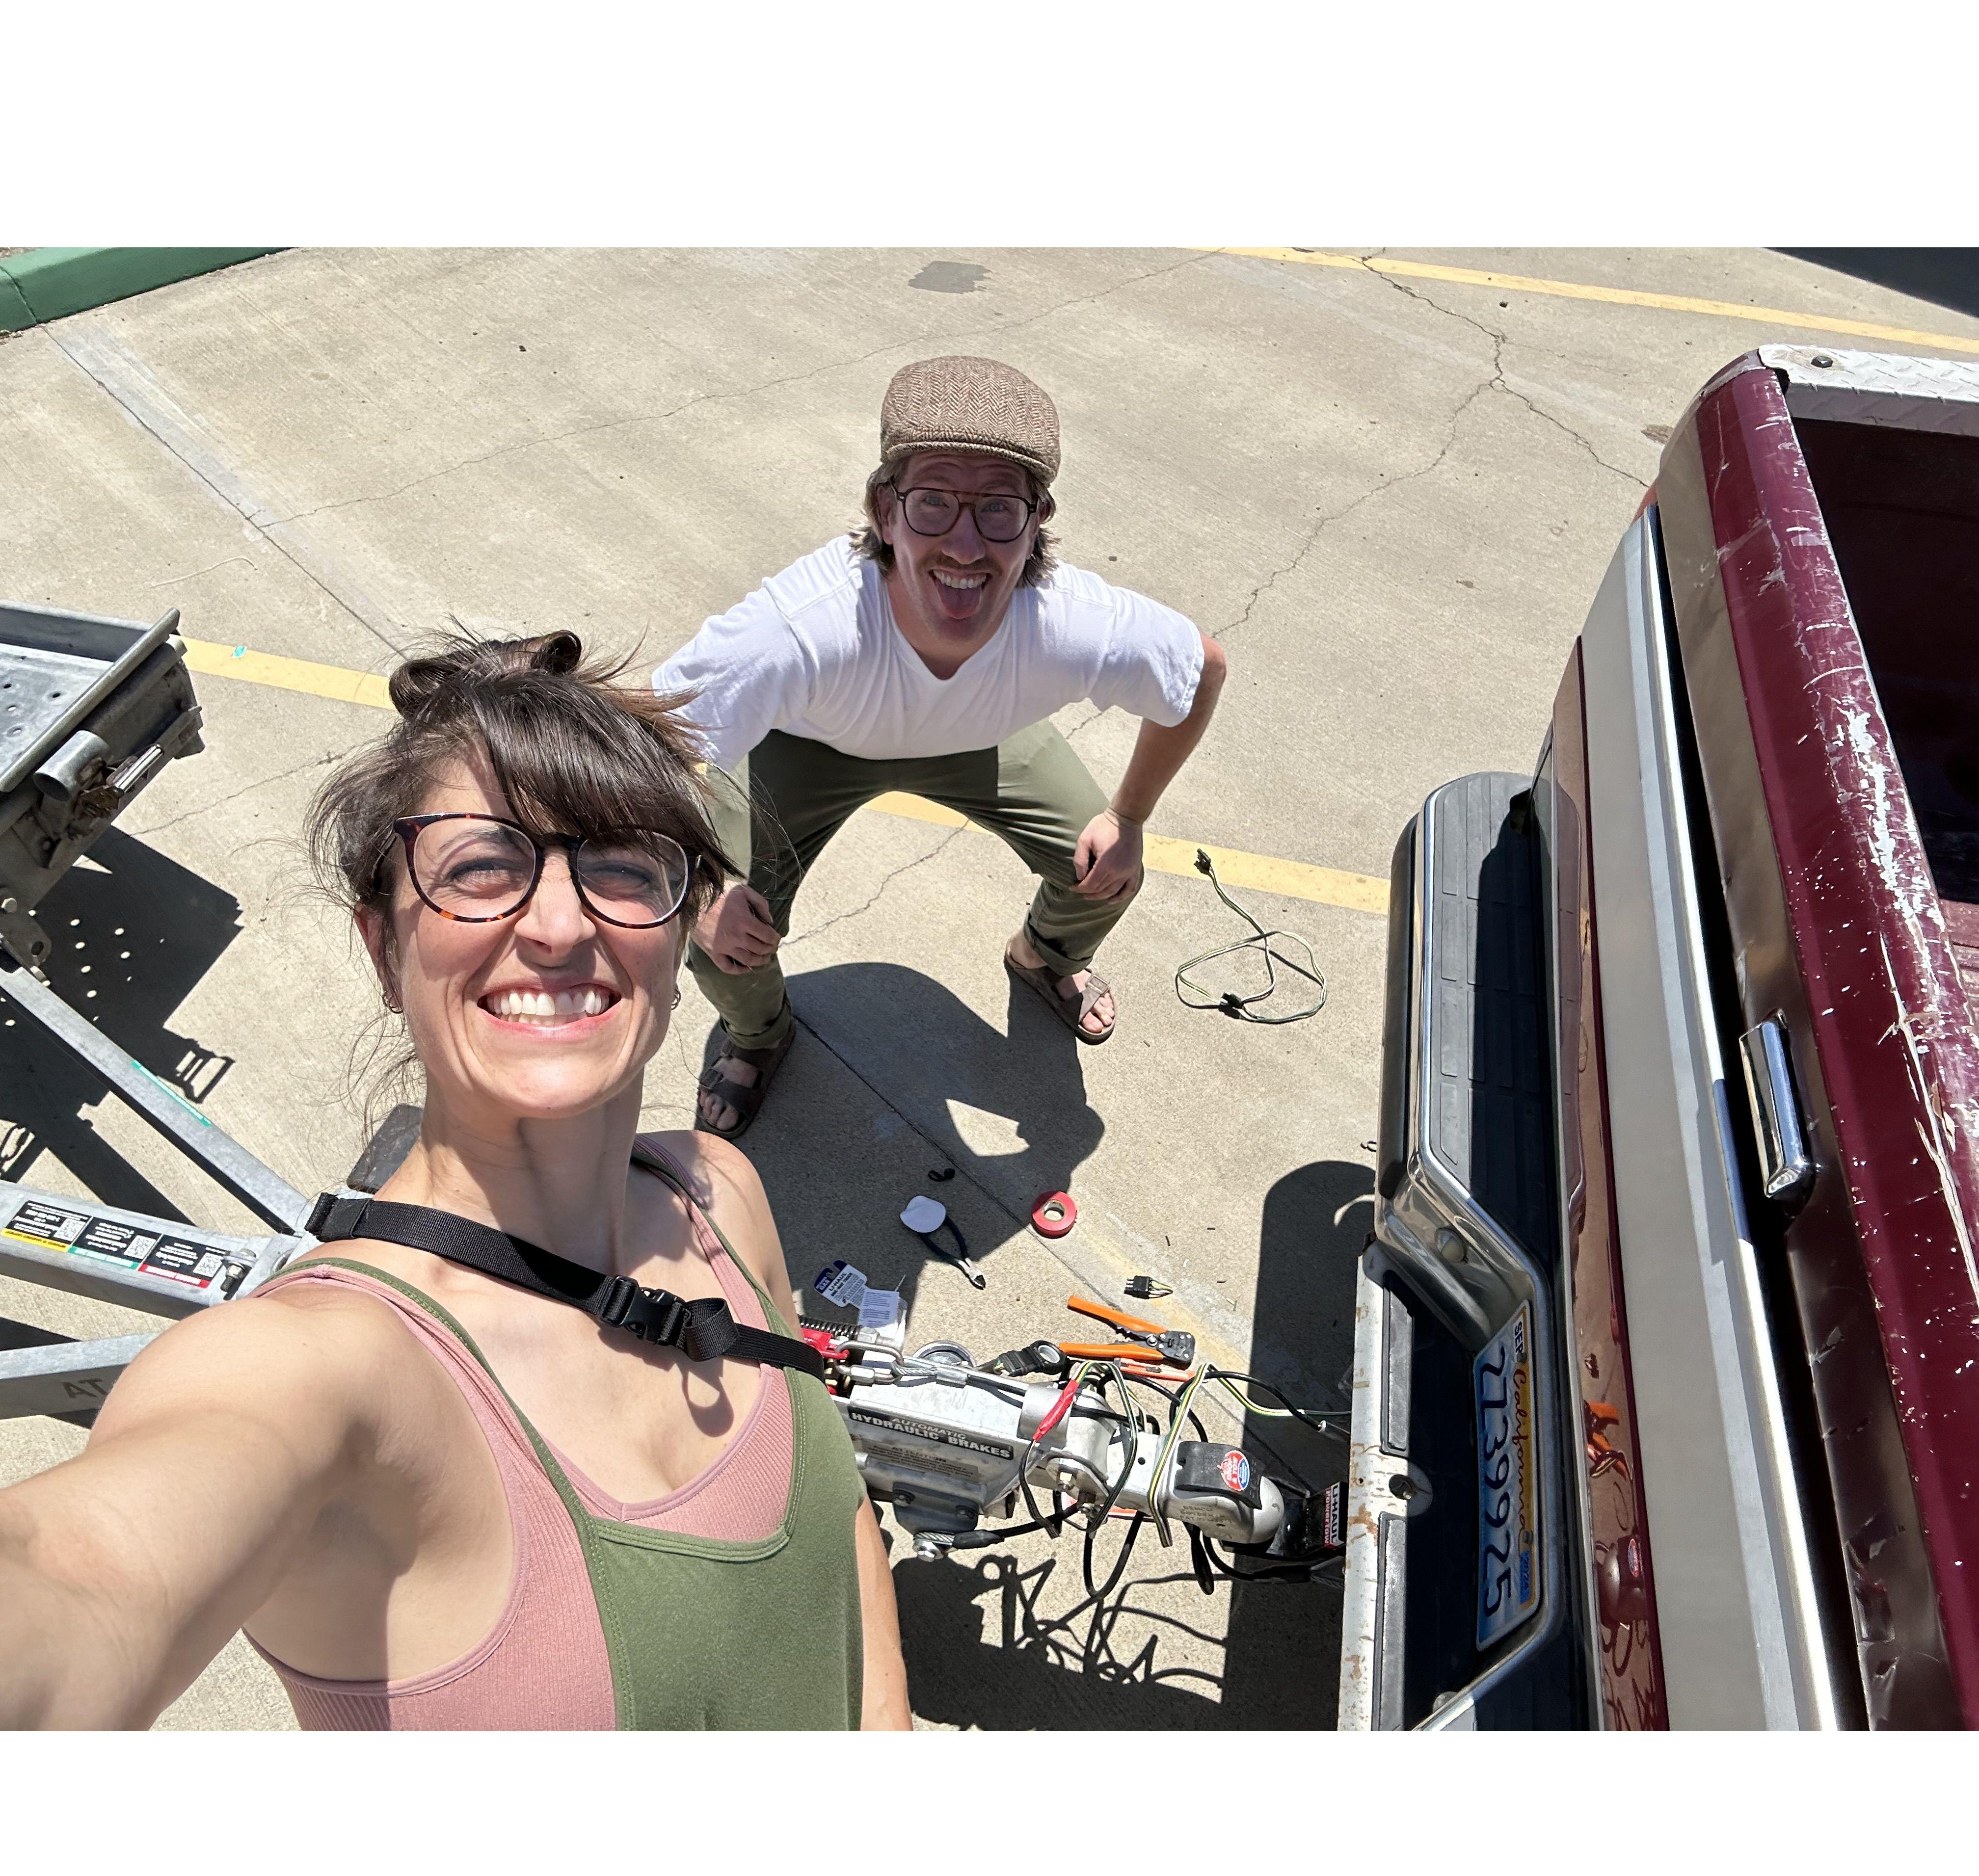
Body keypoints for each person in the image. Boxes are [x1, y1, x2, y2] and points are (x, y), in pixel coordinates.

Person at [0, 631, 910, 1730]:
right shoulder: (325, 1372)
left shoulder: (718, 1191)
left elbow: (841, 1520)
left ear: (680, 943)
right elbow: (80, 1572)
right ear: (385, 950)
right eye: (479, 868)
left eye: (626, 867)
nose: (561, 924)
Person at [657, 354, 1229, 1137]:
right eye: (932, 502)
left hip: (980, 735)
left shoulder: (1072, 623)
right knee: (713, 929)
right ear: (883, 510)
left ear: (1038, 519)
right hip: (811, 742)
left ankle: (1045, 957)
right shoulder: (802, 626)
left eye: (998, 507)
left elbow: (1202, 670)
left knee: (1104, 869)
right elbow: (644, 749)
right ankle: (759, 1034)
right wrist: (702, 892)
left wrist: (1129, 817)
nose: (965, 545)